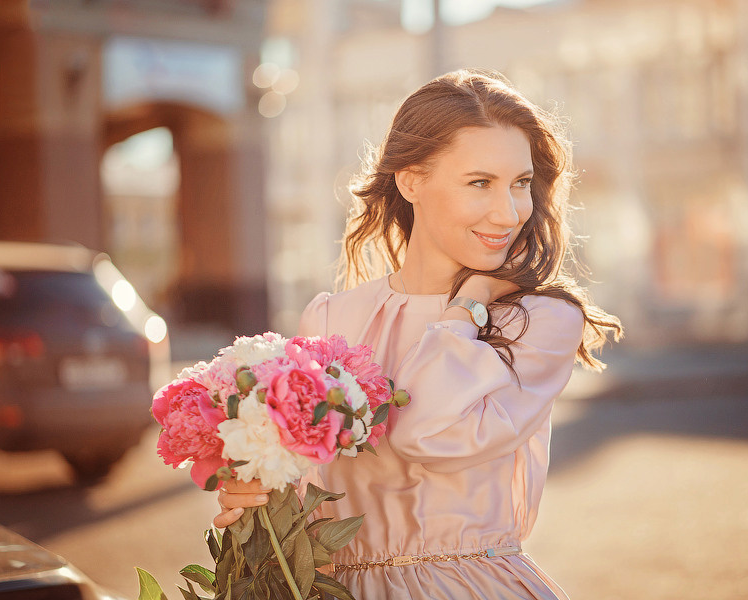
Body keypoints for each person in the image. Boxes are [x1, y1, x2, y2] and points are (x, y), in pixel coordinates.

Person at [214, 69, 622, 599]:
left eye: (521, 184)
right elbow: (301, 496)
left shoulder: (539, 321)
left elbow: (424, 431)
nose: (510, 212)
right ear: (411, 181)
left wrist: (468, 307)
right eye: (480, 183)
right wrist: (250, 490)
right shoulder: (331, 320)